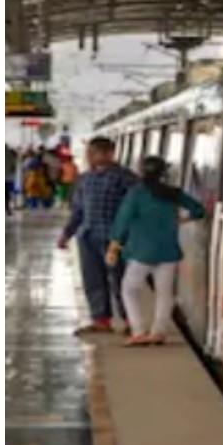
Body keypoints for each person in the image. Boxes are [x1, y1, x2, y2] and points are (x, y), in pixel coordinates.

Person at [106, 156, 205, 347]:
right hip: (168, 251)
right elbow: (198, 210)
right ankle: (158, 332)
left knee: (129, 289)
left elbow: (122, 220)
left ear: (141, 171)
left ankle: (139, 331)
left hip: (141, 252)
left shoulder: (136, 194)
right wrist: (184, 220)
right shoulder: (173, 193)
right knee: (164, 292)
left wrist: (113, 247)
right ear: (163, 172)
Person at [58, 137, 138, 335]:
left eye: (95, 152)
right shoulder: (84, 179)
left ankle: (132, 320)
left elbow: (136, 208)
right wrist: (66, 233)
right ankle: (101, 320)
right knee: (93, 279)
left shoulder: (126, 178)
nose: (90, 156)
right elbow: (78, 211)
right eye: (90, 153)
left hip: (116, 239)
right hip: (88, 236)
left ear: (110, 154)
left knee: (120, 279)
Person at [6, 146, 18, 216]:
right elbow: (13, 169)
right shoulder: (12, 159)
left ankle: (8, 208)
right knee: (8, 195)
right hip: (8, 179)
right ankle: (8, 209)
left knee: (7, 195)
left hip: (8, 179)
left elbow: (13, 169)